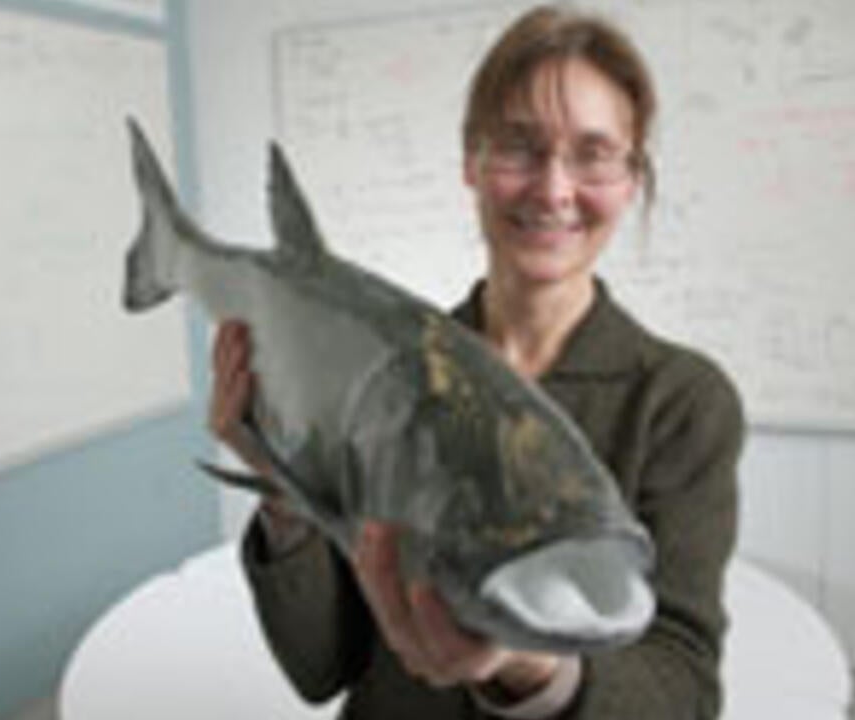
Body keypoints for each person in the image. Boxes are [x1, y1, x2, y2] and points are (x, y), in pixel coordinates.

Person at [209, 5, 744, 718]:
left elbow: (684, 694)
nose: (554, 190)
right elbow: (319, 669)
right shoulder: (382, 380)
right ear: (472, 160)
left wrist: (529, 664)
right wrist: (286, 493)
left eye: (593, 153)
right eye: (521, 147)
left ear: (632, 177)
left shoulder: (682, 401)